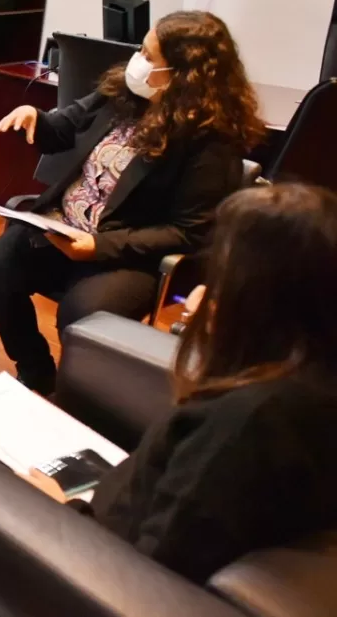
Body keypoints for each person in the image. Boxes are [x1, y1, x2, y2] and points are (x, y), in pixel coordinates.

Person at [0, 11, 266, 395]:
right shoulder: (125, 93)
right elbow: (65, 127)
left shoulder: (210, 141)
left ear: (182, 74)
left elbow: (188, 232)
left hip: (127, 254)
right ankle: (36, 368)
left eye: (149, 56)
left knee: (82, 317)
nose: (137, 62)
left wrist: (99, 247)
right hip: (63, 227)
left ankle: (84, 396)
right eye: (141, 50)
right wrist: (36, 117)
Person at [90, 183, 337, 584]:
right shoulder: (309, 382)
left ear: (255, 298)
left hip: (88, 557)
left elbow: (147, 578)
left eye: (222, 276)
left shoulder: (246, 427)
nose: (205, 291)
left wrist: (55, 510)